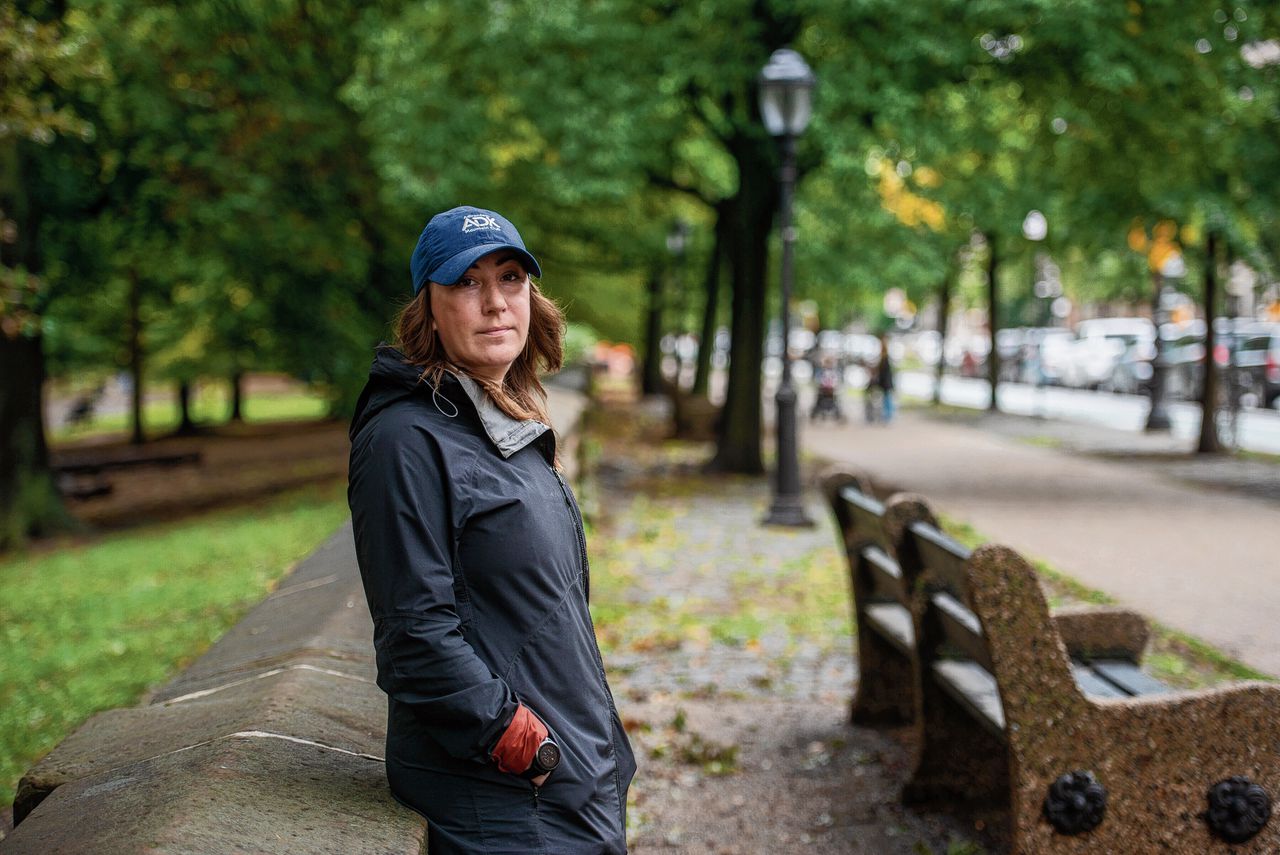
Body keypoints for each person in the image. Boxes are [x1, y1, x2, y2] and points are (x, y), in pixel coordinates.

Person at [347, 206, 636, 854]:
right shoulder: (404, 441)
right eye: (466, 283)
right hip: (504, 800)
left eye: (509, 278)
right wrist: (524, 744)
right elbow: (414, 635)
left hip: (567, 788)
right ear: (429, 305)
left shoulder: (496, 425)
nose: (494, 302)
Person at [866, 333, 895, 423]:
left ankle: (888, 416)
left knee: (887, 399)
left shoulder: (885, 358)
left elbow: (883, 371)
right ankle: (887, 415)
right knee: (886, 398)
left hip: (886, 382)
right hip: (885, 382)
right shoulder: (884, 357)